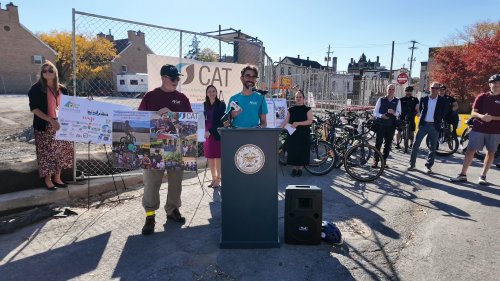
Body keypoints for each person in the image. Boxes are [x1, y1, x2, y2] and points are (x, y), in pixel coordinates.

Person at [138, 64, 192, 235]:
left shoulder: (182, 98)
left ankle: (173, 210)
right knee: (152, 182)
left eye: (177, 78)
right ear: (163, 78)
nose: (176, 81)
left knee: (176, 181)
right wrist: (156, 114)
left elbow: (189, 124)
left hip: (175, 146)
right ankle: (150, 215)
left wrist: (172, 115)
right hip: (154, 145)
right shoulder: (150, 96)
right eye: (173, 78)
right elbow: (139, 120)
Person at [28, 60, 73, 190]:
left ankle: (57, 178)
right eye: (45, 71)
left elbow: (71, 106)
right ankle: (48, 180)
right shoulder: (36, 89)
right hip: (45, 125)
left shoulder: (62, 89)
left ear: (55, 73)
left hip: (61, 124)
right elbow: (35, 109)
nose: (47, 72)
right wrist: (51, 120)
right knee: (46, 153)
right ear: (41, 73)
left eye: (50, 70)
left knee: (59, 152)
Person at [450, 74, 500, 184]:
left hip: (495, 131)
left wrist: (493, 118)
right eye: (494, 82)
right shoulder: (482, 96)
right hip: (479, 128)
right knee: (470, 151)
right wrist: (482, 116)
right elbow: (473, 112)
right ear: (489, 84)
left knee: (491, 153)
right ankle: (463, 174)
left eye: (498, 82)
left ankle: (483, 176)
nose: (496, 85)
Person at [407, 82, 448, 174]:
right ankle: (412, 164)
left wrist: (438, 120)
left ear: (439, 90)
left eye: (437, 88)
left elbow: (444, 112)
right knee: (415, 144)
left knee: (432, 147)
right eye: (433, 88)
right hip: (423, 125)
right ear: (430, 88)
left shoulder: (443, 100)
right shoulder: (424, 99)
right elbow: (421, 110)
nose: (434, 90)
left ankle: (428, 166)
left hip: (434, 125)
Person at [280, 90, 313, 176]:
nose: (298, 99)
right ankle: (294, 169)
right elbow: (285, 121)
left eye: (300, 97)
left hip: (304, 134)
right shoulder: (291, 109)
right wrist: (277, 128)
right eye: (297, 97)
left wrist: (298, 123)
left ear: (303, 99)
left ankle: (300, 169)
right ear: (295, 98)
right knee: (293, 151)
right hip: (293, 134)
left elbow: (310, 121)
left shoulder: (308, 109)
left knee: (302, 151)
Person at [372, 84, 401, 168]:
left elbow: (399, 113)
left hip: (391, 125)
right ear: (386, 90)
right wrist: (381, 116)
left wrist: (394, 112)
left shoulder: (397, 100)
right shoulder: (381, 99)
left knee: (388, 144)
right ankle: (375, 160)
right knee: (378, 143)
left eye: (392, 89)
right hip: (381, 124)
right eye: (389, 89)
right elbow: (375, 112)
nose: (391, 91)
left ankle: (384, 160)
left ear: (394, 90)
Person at [203, 85, 226, 188]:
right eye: (209, 91)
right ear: (207, 93)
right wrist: (203, 131)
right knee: (210, 158)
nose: (211, 93)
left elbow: (221, 121)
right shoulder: (204, 105)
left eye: (213, 91)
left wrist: (211, 132)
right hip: (206, 134)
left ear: (216, 93)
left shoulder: (221, 105)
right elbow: (201, 119)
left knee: (217, 157)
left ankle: (218, 179)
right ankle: (213, 178)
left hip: (215, 133)